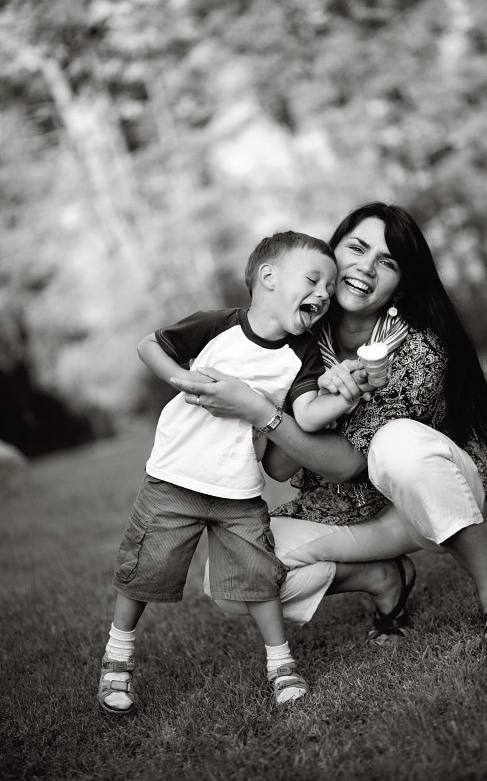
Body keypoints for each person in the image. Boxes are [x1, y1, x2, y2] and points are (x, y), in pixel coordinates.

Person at [171, 202, 487, 649]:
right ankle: (383, 577)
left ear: (401, 285)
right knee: (228, 576)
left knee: (396, 444)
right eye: (357, 248)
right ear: (331, 253)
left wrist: (260, 411)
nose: (366, 267)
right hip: (352, 511)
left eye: (388, 262)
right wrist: (309, 402)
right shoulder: (299, 343)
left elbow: (346, 464)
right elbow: (281, 466)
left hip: (437, 497)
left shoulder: (417, 349)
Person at [99, 230, 364, 715]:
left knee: (258, 576)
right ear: (268, 277)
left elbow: (305, 416)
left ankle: (281, 664)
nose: (324, 293)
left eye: (330, 287)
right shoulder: (216, 325)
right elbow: (149, 345)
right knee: (145, 570)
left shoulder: (303, 353)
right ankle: (118, 655)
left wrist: (346, 395)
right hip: (176, 479)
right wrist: (183, 379)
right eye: (313, 280)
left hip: (240, 490)